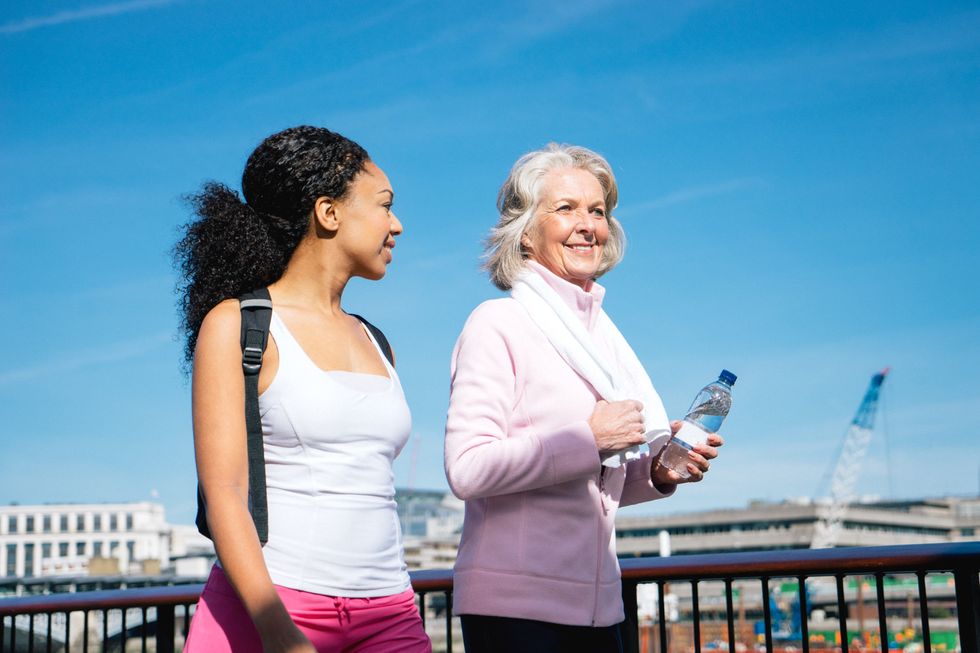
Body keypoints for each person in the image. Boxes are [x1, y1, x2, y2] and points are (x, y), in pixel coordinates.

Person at [443, 143, 724, 653]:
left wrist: (658, 472)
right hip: (515, 608)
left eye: (598, 211)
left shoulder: (603, 341)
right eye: (566, 208)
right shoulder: (497, 323)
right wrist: (589, 438)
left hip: (600, 606)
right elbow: (467, 469)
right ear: (525, 231)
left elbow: (597, 476)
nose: (588, 224)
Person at [174, 126, 431, 653]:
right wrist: (278, 631)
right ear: (328, 212)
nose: (397, 225)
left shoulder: (377, 340)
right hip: (269, 611)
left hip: (390, 611)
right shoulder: (238, 325)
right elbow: (224, 493)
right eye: (384, 205)